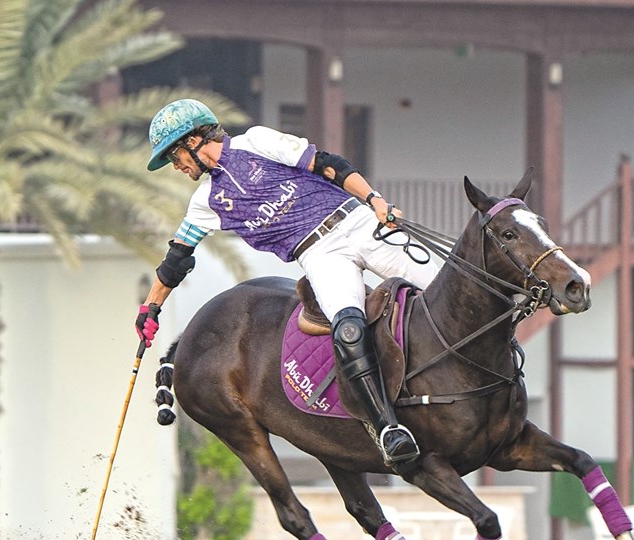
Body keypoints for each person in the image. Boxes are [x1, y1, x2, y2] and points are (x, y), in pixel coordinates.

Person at [135, 98, 440, 468]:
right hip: (319, 255)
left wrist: (375, 200)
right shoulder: (205, 203)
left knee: (444, 287)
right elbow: (176, 259)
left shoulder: (256, 142)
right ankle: (387, 429)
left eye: (174, 155)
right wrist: (151, 307)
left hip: (355, 222)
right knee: (347, 329)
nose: (176, 166)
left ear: (195, 140)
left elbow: (328, 165)